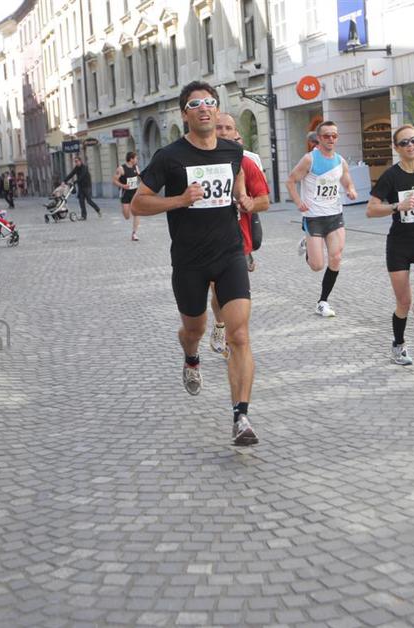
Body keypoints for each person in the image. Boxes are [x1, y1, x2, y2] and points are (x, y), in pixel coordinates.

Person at [130, 81, 260, 446]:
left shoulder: (233, 151)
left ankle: (241, 417)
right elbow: (139, 202)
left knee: (239, 335)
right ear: (184, 114)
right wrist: (179, 200)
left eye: (209, 102)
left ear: (217, 110)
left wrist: (243, 198)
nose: (203, 108)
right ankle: (190, 357)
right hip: (189, 261)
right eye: (194, 104)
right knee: (195, 329)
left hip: (229, 254)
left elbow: (238, 180)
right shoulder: (169, 157)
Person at [366, 125, 414, 366]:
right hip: (399, 246)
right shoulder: (391, 176)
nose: (410, 145)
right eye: (404, 143)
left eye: (413, 140)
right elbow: (370, 210)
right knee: (402, 302)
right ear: (396, 148)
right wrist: (396, 207)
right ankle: (398, 346)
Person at [208, 112, 270, 358]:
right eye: (219, 127)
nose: (223, 132)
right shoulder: (197, 162)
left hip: (237, 241)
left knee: (233, 295)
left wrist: (249, 203)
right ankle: (220, 324)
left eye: (228, 128)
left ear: (236, 134)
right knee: (216, 291)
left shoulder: (246, 163)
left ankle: (234, 341)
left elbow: (264, 201)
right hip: (207, 240)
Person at [286, 121, 358, 317]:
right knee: (317, 266)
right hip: (314, 217)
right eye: (326, 136)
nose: (331, 139)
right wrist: (298, 202)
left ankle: (322, 302)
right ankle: (308, 244)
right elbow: (291, 181)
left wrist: (351, 190)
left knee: (336, 257)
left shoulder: (340, 161)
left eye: (334, 135)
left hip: (334, 215)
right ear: (318, 138)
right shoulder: (309, 159)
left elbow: (347, 180)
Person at [113, 152, 142, 240]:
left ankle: (134, 233)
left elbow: (140, 176)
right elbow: (114, 180)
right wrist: (123, 186)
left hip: (135, 193)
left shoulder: (136, 167)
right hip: (125, 193)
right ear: (131, 159)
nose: (137, 160)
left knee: (137, 212)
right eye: (136, 158)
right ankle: (126, 210)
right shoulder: (121, 169)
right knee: (127, 216)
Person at [64, 156, 102, 220]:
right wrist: (64, 181)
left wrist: (75, 182)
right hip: (81, 187)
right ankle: (83, 216)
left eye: (77, 161)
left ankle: (98, 210)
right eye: (75, 162)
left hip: (87, 186)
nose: (76, 163)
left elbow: (82, 176)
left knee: (89, 201)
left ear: (80, 161)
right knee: (81, 201)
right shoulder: (76, 168)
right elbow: (71, 174)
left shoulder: (84, 167)